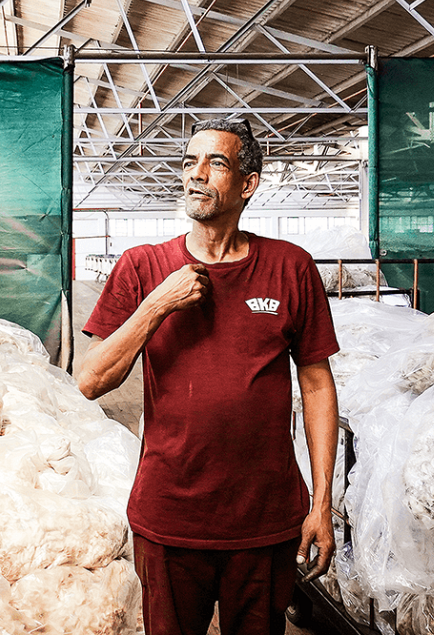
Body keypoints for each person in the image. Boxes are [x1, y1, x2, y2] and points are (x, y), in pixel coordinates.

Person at [77, 118, 340, 635]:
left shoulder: (291, 268)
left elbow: (317, 385)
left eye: (215, 162)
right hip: (171, 515)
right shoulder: (142, 267)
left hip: (265, 519)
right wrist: (158, 304)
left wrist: (323, 504)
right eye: (188, 162)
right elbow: (88, 380)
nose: (196, 175)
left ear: (248, 183)